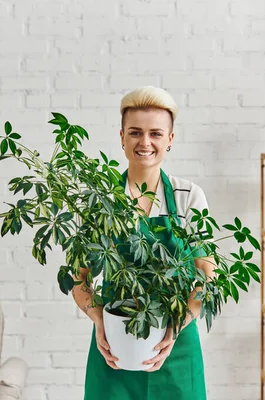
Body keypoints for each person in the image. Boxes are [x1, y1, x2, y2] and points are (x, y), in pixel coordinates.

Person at [72, 86, 216, 399]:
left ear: (170, 139)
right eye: (135, 132)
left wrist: (175, 329)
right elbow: (78, 277)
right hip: (114, 346)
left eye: (155, 133)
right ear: (121, 136)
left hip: (177, 347)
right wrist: (98, 319)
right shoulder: (102, 200)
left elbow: (207, 275)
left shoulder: (188, 196)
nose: (145, 142)